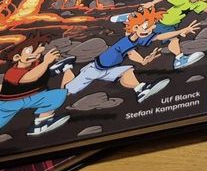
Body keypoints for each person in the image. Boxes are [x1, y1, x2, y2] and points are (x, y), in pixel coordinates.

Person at [64, 7, 195, 102]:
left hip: (109, 69)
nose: (150, 30)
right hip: (95, 69)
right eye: (147, 27)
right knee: (68, 91)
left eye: (151, 28)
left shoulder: (138, 39)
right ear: (135, 28)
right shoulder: (128, 40)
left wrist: (143, 61)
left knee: (127, 71)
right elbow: (131, 49)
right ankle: (66, 67)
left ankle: (140, 90)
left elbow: (159, 37)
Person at [0, 34, 75, 136]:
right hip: (11, 102)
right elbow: (30, 77)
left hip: (32, 95)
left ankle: (41, 123)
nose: (36, 54)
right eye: (31, 51)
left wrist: (62, 69)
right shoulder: (12, 72)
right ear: (17, 57)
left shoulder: (35, 64)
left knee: (57, 96)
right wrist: (46, 63)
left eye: (38, 50)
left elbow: (38, 74)